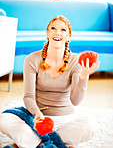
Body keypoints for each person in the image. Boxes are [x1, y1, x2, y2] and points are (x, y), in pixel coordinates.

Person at [0, 15, 100, 148]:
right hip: (37, 120)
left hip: (65, 121)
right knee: (4, 119)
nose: (57, 32)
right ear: (47, 33)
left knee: (90, 125)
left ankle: (33, 143)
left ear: (68, 36)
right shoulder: (31, 60)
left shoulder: (75, 61)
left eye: (63, 30)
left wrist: (83, 77)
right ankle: (55, 143)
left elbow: (75, 101)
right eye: (53, 28)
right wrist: (36, 113)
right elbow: (28, 96)